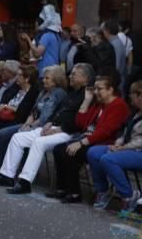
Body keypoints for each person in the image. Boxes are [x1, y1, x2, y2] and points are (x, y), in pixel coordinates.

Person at [0, 63, 94, 194]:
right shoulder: (72, 93)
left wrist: (59, 129)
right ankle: (7, 176)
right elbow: (58, 111)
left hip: (69, 133)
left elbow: (80, 122)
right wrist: (50, 122)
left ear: (85, 78)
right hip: (54, 127)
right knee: (18, 138)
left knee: (38, 142)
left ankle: (24, 182)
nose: (70, 76)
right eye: (71, 73)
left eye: (74, 74)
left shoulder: (88, 96)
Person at [51, 71, 129, 203]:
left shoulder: (118, 105)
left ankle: (75, 193)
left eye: (100, 89)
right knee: (58, 149)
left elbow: (106, 131)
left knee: (69, 152)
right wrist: (87, 100)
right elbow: (80, 123)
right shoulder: (98, 103)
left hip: (103, 142)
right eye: (95, 89)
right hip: (88, 138)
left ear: (111, 90)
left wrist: (82, 143)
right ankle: (63, 188)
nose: (96, 92)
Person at [89, 80, 142, 211]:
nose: (130, 96)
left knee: (108, 159)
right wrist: (118, 143)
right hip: (128, 148)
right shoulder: (135, 113)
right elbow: (125, 132)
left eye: (132, 94)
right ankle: (102, 191)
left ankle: (129, 196)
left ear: (140, 95)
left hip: (138, 151)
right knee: (94, 152)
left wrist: (122, 148)